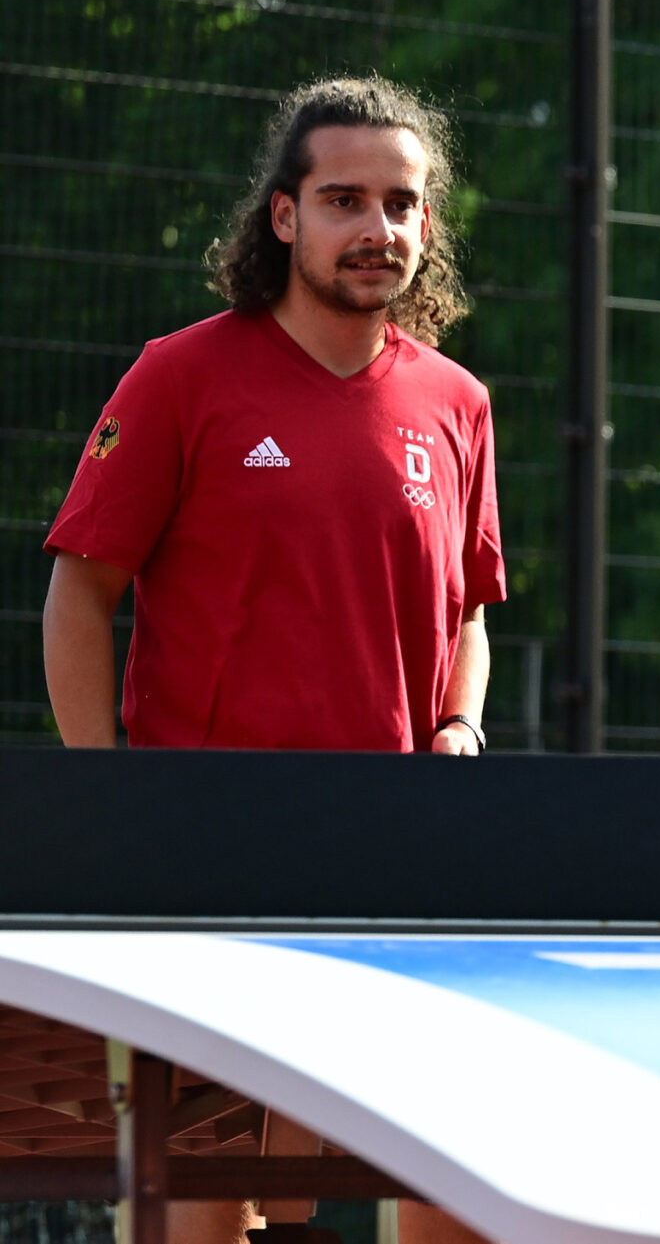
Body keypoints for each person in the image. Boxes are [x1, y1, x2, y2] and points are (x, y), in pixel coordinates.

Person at [42, 76, 506, 1243]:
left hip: (398, 849)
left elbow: (469, 610)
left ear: (427, 227)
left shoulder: (457, 403)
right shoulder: (181, 374)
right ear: (284, 215)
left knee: (429, 1177)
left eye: (401, 203)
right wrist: (104, 790)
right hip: (205, 842)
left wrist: (458, 723)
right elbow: (80, 588)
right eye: (343, 198)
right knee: (200, 1203)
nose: (377, 228)